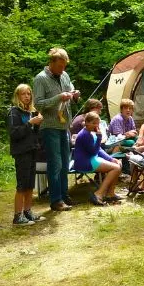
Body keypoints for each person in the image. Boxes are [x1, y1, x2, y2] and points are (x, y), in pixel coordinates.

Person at [34, 47, 80, 212]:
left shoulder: (65, 75)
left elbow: (70, 88)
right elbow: (38, 104)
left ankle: (64, 195)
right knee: (55, 164)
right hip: (50, 126)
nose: (63, 69)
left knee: (65, 164)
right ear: (51, 63)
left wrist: (74, 94)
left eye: (64, 66)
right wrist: (58, 98)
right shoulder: (40, 79)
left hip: (64, 125)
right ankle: (55, 200)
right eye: (60, 66)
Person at [7, 84, 46, 226]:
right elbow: (14, 133)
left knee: (30, 184)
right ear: (17, 96)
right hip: (21, 152)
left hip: (32, 150)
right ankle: (17, 216)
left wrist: (37, 124)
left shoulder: (30, 112)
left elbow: (34, 134)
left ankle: (28, 212)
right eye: (23, 94)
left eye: (29, 94)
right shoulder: (14, 112)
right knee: (22, 184)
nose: (27, 96)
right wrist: (30, 123)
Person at [71, 112, 123, 206]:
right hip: (84, 162)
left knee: (118, 163)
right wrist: (99, 137)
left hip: (91, 158)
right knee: (116, 168)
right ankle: (98, 194)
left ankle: (110, 194)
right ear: (86, 122)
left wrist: (111, 159)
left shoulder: (90, 132)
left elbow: (98, 149)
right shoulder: (85, 134)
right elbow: (93, 152)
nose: (96, 125)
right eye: (94, 123)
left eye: (97, 123)